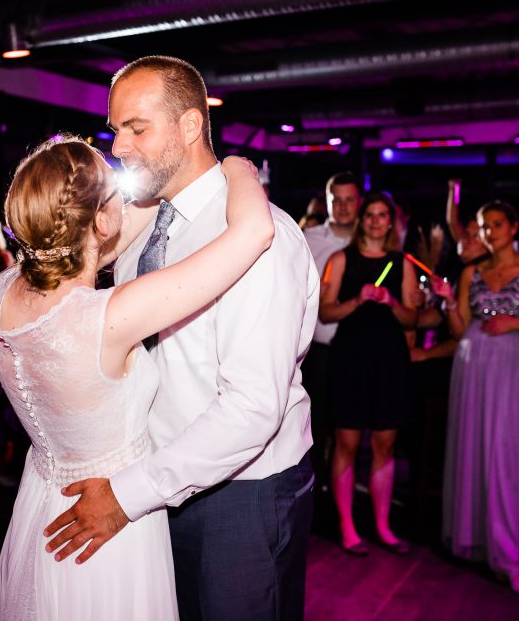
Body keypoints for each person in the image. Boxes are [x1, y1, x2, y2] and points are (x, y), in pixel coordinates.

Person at [42, 56, 318, 621]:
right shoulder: (147, 224)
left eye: (136, 128)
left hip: (241, 489)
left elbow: (251, 409)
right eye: (116, 129)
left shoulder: (257, 239)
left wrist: (127, 495)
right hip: (160, 480)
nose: (118, 147)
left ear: (190, 126)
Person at [0, 137, 275, 620]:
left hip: (40, 505)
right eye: (116, 193)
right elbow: (254, 232)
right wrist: (238, 167)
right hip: (109, 519)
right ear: (100, 219)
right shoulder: (110, 316)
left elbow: (98, 235)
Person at [434, 200, 519, 597]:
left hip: (515, 369)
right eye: (483, 226)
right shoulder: (472, 271)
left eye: (496, 225)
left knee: (509, 457)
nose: (489, 232)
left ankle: (513, 558)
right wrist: (450, 303)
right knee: (475, 452)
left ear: (515, 227)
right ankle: (479, 542)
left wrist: (518, 322)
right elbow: (459, 331)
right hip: (473, 368)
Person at [318, 191, 418, 556]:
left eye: (382, 215)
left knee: (384, 445)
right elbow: (325, 314)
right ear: (363, 220)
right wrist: (357, 301)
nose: (376, 221)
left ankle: (383, 526)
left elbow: (413, 318)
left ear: (391, 221)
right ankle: (347, 527)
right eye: (370, 215)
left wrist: (391, 303)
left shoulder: (402, 262)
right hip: (350, 357)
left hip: (388, 359)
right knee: (346, 444)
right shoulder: (340, 259)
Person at [302, 171, 360, 493]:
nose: (342, 206)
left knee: (351, 431)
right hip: (320, 351)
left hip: (360, 351)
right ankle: (316, 500)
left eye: (349, 199)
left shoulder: (370, 240)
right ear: (326, 202)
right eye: (336, 199)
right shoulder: (309, 239)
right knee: (317, 426)